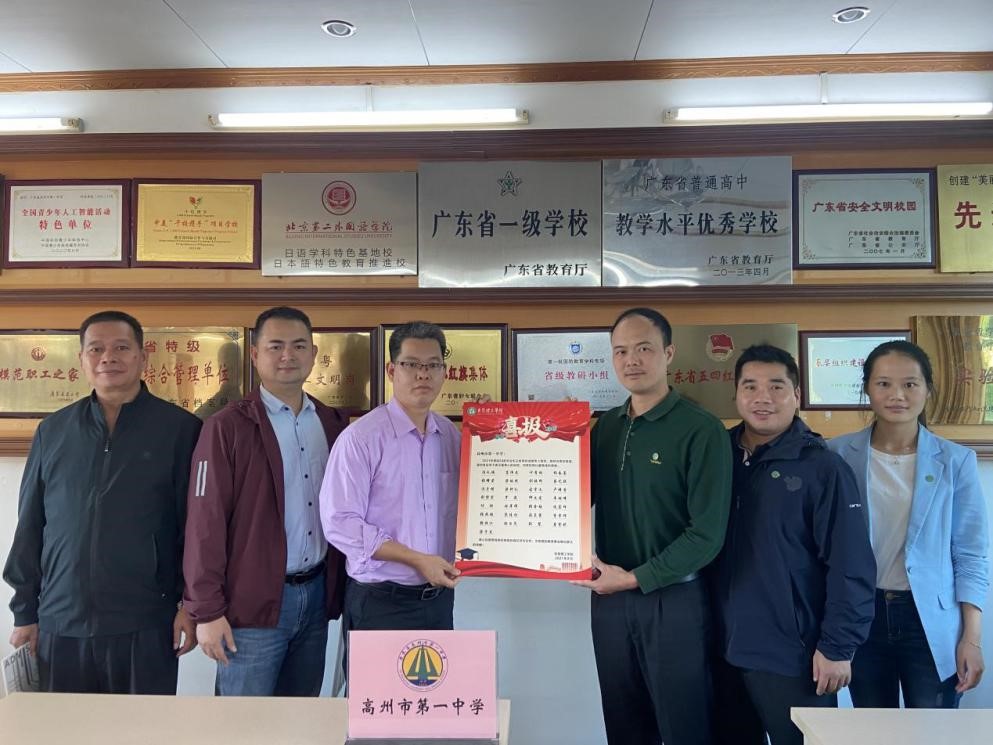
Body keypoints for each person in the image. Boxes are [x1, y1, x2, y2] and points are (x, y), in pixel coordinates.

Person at [3, 310, 201, 694]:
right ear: (81, 360)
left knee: (144, 725)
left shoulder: (181, 429)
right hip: (61, 621)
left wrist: (188, 605)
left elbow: (194, 527)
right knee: (66, 725)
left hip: (146, 622)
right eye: (96, 349)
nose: (108, 357)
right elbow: (30, 525)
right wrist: (25, 612)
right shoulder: (53, 431)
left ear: (143, 357)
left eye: (121, 348)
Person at [571, 307, 732, 745]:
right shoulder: (605, 428)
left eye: (644, 348)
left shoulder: (702, 430)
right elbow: (571, 502)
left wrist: (636, 578)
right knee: (623, 723)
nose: (632, 360)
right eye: (621, 351)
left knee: (683, 725)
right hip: (609, 601)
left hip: (674, 599)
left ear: (669, 353)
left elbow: (706, 535)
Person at [710, 344, 876, 745]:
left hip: (793, 655)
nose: (762, 398)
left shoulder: (823, 467)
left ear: (796, 394)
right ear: (736, 394)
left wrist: (838, 647)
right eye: (750, 386)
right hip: (719, 649)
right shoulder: (715, 456)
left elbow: (850, 564)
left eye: (776, 386)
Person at [183, 306, 348, 696]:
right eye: (276, 346)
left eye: (298, 346)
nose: (288, 355)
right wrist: (206, 610)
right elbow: (204, 524)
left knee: (301, 717)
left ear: (313, 353)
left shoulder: (331, 423)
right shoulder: (226, 427)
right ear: (255, 354)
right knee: (243, 722)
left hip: (316, 595)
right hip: (251, 606)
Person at [829, 339, 989, 708]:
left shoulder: (956, 461)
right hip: (861, 615)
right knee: (874, 729)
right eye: (883, 383)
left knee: (934, 730)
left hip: (930, 620)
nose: (897, 395)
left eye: (910, 384)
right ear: (867, 388)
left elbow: (970, 555)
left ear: (928, 390)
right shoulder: (836, 455)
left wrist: (972, 638)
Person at [320, 321, 461, 639]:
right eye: (411, 364)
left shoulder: (450, 436)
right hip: (381, 602)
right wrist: (416, 559)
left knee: (439, 675)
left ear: (444, 372)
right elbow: (340, 523)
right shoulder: (361, 438)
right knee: (375, 679)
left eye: (433, 365)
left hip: (439, 598)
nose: (423, 374)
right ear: (391, 370)